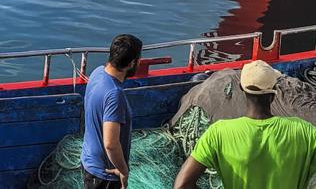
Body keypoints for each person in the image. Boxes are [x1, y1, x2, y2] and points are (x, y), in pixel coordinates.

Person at [174, 60, 316, 189]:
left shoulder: (218, 133)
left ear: (241, 89)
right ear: (273, 95)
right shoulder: (304, 131)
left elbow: (182, 185)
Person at [81, 34, 143, 189]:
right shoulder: (114, 94)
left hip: (89, 162)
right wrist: (123, 171)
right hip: (105, 174)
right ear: (131, 63)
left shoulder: (97, 73)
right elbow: (110, 144)